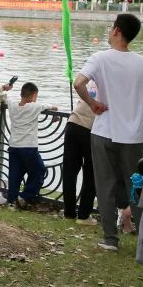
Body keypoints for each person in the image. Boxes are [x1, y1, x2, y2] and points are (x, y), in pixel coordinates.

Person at [74, 13, 143, 251]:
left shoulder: (100, 58)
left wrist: (93, 105)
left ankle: (110, 238)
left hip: (103, 131)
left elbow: (79, 83)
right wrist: (132, 100)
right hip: (133, 135)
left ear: (116, 31)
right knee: (136, 185)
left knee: (105, 185)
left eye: (111, 27)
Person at [5, 82, 57, 208]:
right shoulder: (35, 107)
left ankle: (11, 201)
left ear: (21, 94)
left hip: (14, 146)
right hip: (28, 147)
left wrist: (6, 88)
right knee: (39, 170)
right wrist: (55, 113)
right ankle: (26, 196)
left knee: (15, 175)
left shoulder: (12, 105)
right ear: (34, 95)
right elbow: (53, 106)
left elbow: (4, 97)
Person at [62, 92, 98, 224]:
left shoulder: (91, 81)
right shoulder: (112, 83)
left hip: (73, 123)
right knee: (91, 173)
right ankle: (83, 215)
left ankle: (69, 212)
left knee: (69, 172)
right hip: (90, 128)